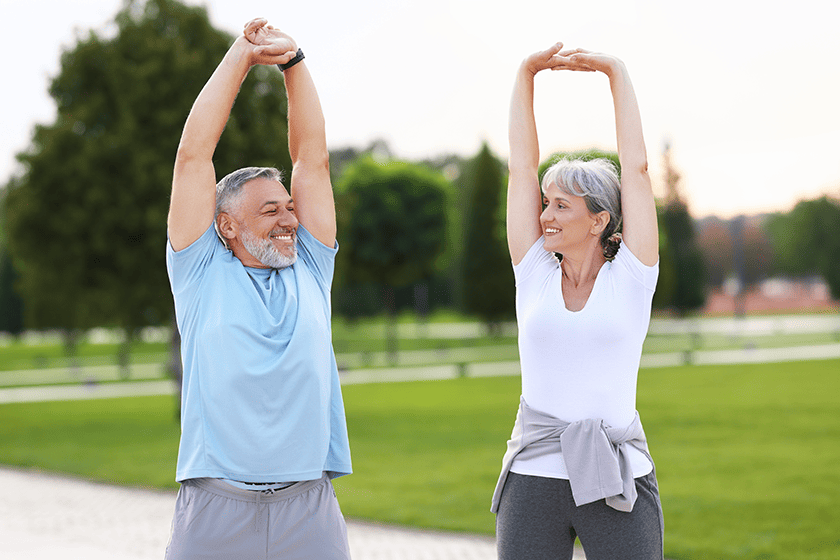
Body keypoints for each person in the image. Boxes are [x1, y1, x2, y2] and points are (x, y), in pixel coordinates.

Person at [164, 18, 352, 560]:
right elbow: (193, 157)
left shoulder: (311, 268)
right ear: (226, 226)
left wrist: (293, 64)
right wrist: (240, 57)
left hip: (308, 509)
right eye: (270, 210)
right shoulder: (200, 271)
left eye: (290, 207)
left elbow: (311, 159)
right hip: (215, 509)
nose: (290, 219)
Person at [491, 43, 664, 560]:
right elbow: (521, 169)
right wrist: (525, 75)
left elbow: (635, 170)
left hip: (615, 475)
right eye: (546, 203)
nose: (545, 214)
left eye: (561, 205)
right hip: (533, 476)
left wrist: (616, 72)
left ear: (599, 220)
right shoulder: (535, 273)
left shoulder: (632, 277)